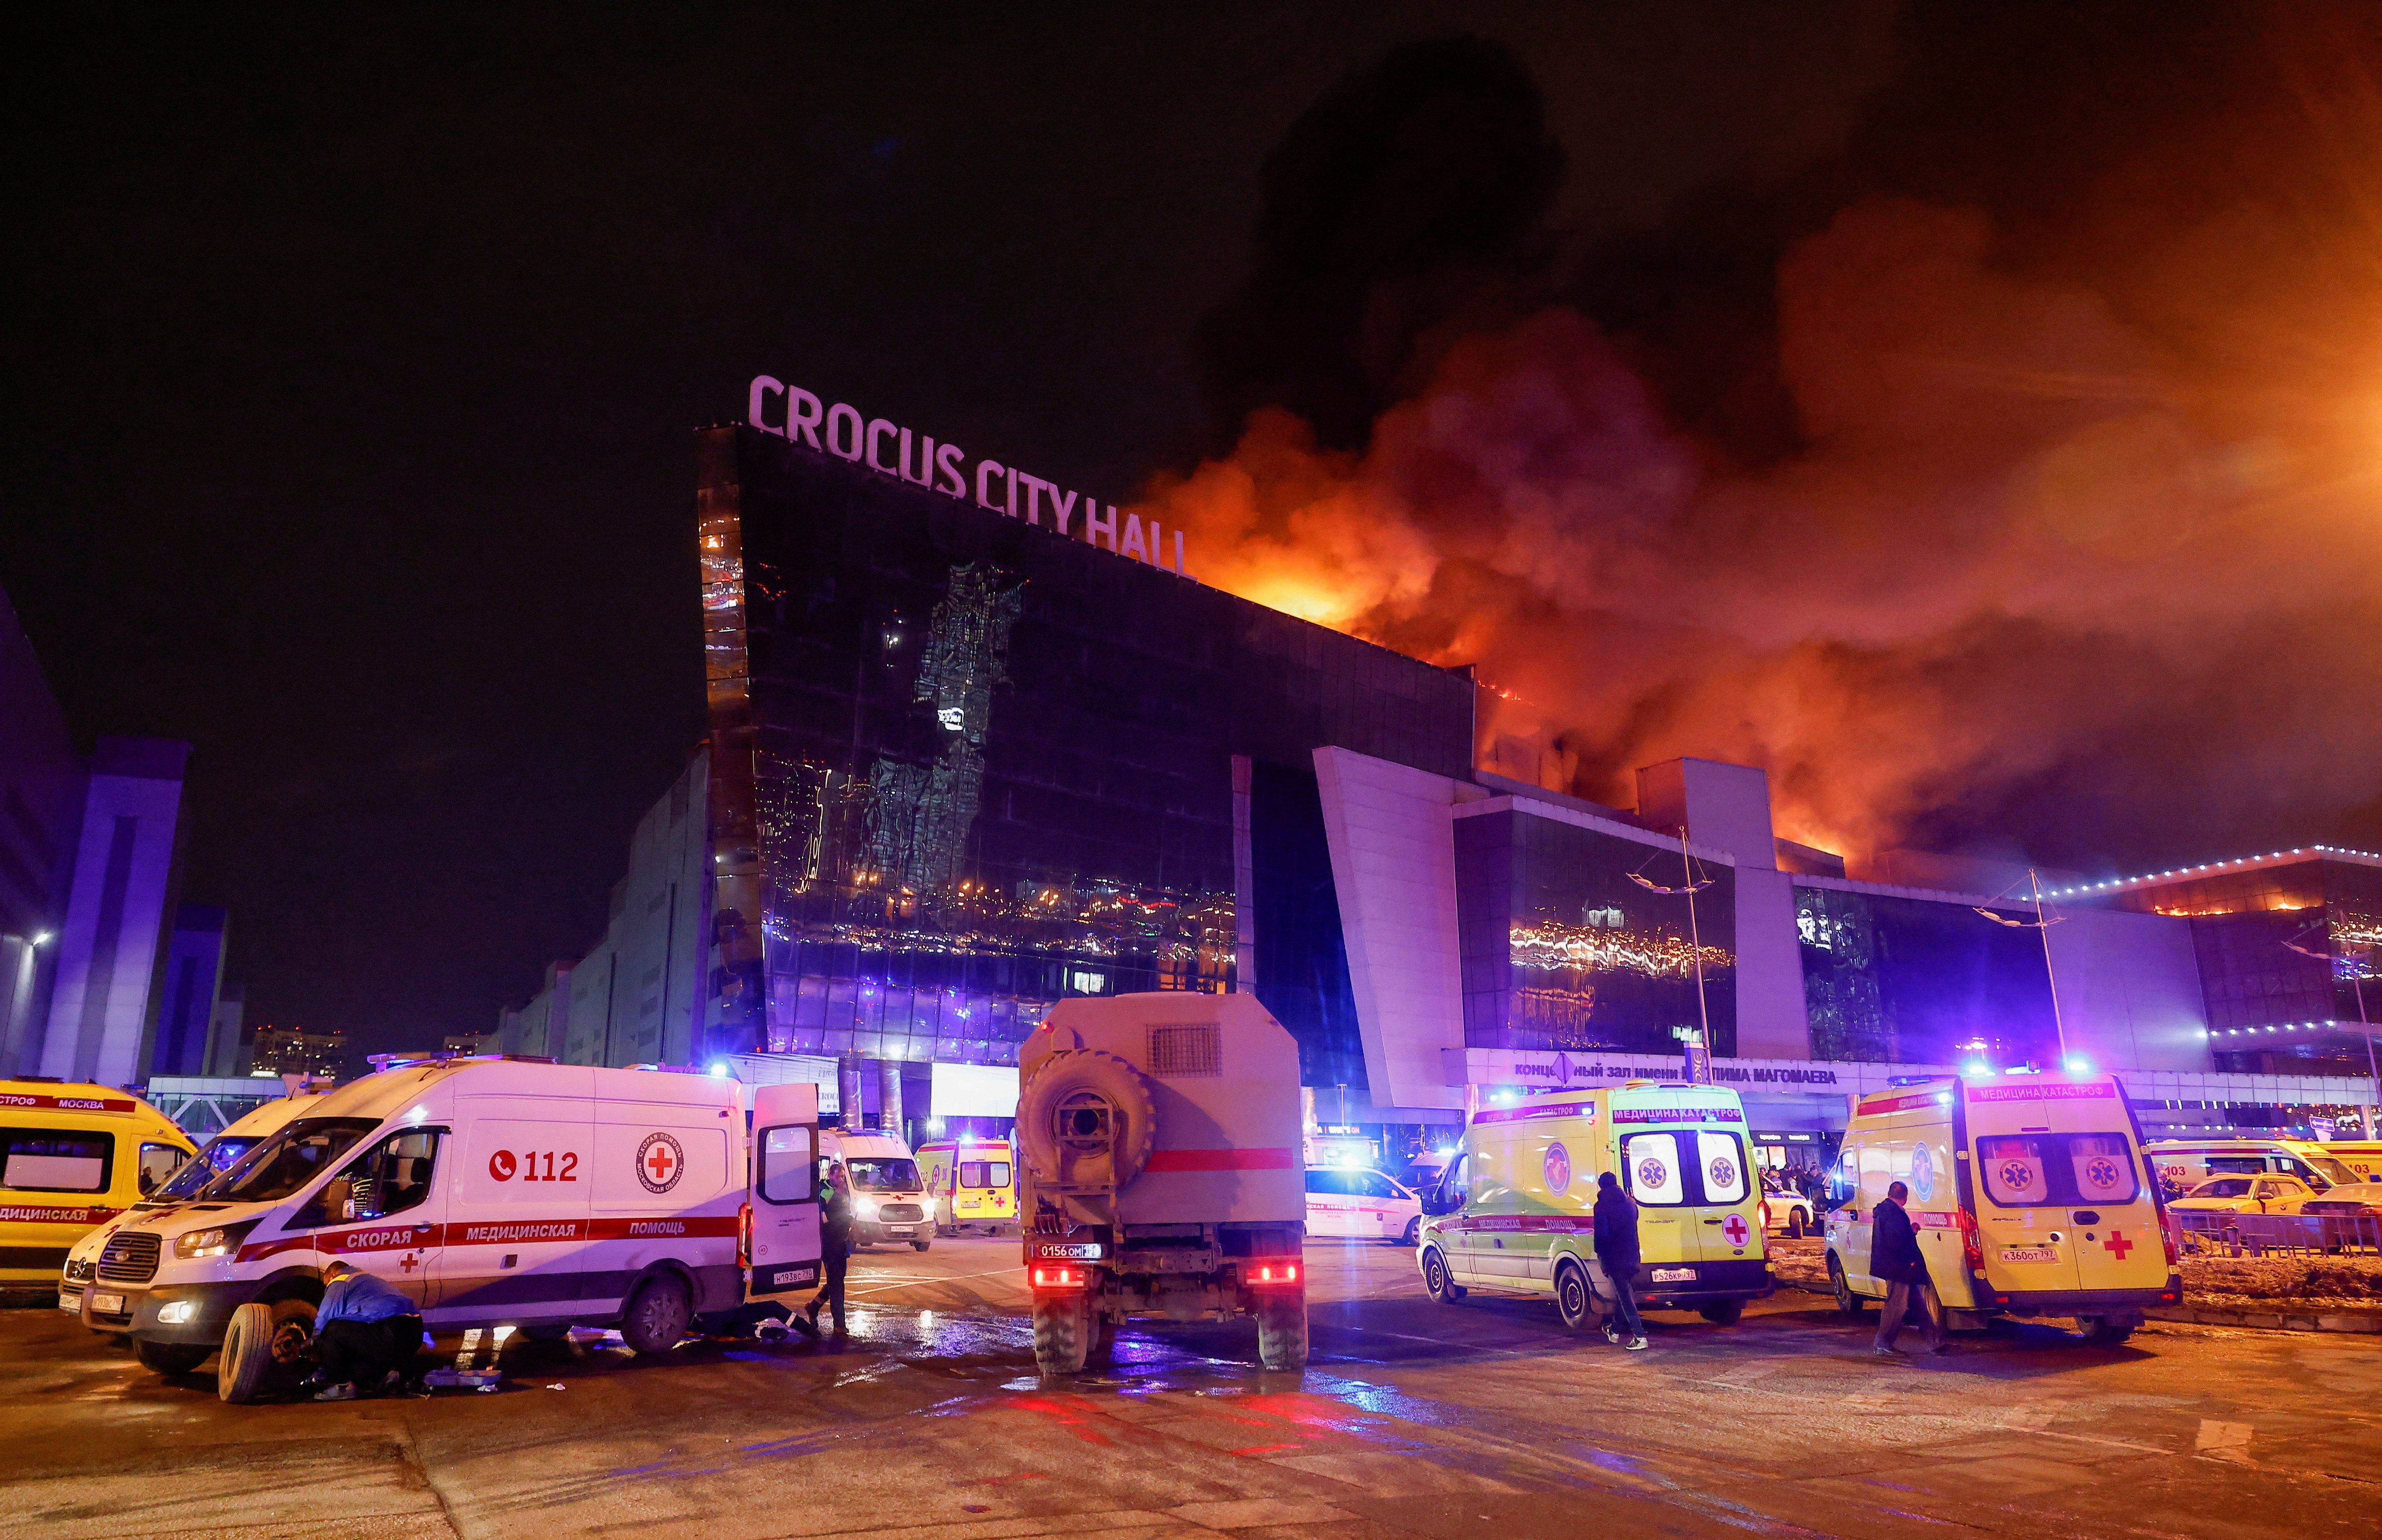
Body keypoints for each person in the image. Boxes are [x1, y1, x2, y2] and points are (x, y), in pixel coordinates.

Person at [305, 1260, 424, 1400]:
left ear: (332, 1276)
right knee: (355, 1340)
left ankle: (343, 1386)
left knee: (332, 1330)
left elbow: (325, 1317)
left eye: (327, 1285)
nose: (328, 1288)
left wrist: (313, 1344)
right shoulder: (367, 1280)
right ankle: (386, 1374)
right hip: (415, 1332)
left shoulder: (341, 1280)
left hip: (391, 1330)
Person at [1870, 1180, 1948, 1357]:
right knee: (1896, 1307)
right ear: (1904, 1197)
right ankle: (1883, 1344)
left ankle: (1935, 1342)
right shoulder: (1894, 1214)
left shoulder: (1887, 1211)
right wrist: (1909, 1262)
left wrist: (1910, 1232)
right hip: (1900, 1270)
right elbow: (1895, 1242)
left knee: (1919, 1305)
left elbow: (1896, 1237)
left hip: (1900, 1269)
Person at [793, 1161, 853, 1339]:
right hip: (829, 1243)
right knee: (837, 1283)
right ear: (831, 1175)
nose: (841, 1179)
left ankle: (814, 1306)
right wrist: (841, 1211)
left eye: (843, 1176)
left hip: (842, 1242)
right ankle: (840, 1325)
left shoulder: (844, 1192)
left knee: (838, 1279)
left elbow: (847, 1213)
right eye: (839, 1176)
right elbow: (824, 1217)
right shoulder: (823, 1191)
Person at [1591, 1170, 1647, 1351]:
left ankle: (1639, 1336)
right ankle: (1614, 1331)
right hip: (1632, 1255)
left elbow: (1602, 1235)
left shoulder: (1601, 1207)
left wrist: (1601, 1255)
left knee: (1625, 1297)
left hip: (1614, 1257)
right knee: (1623, 1294)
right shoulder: (1631, 1204)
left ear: (1601, 1186)